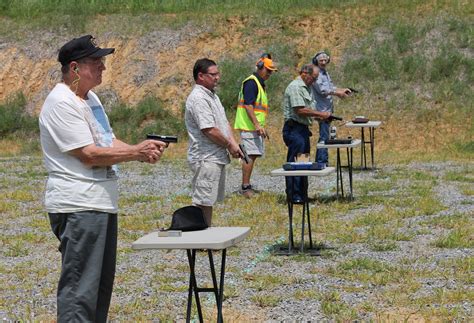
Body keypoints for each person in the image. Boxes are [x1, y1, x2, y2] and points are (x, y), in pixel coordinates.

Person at [39, 35, 166, 322]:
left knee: (97, 289)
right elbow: (89, 154)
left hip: (98, 204)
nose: (103, 68)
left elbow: (106, 141)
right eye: (95, 62)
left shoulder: (89, 98)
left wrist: (141, 150)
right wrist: (135, 152)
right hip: (78, 205)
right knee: (79, 293)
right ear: (74, 68)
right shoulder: (61, 102)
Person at [185, 58, 242, 226]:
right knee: (203, 200)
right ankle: (201, 238)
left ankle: (205, 234)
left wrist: (233, 143)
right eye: (213, 74)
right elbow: (208, 129)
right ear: (201, 76)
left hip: (214, 156)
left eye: (218, 74)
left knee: (208, 199)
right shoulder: (198, 98)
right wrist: (230, 145)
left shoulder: (212, 96)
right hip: (205, 157)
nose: (217, 77)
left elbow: (223, 124)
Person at [282, 64, 331, 203]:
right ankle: (293, 195)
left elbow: (308, 110)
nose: (314, 81)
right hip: (294, 130)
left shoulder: (307, 88)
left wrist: (320, 117)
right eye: (313, 78)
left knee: (303, 163)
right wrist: (321, 113)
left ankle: (302, 194)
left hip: (302, 129)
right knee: (295, 163)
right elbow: (300, 110)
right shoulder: (296, 87)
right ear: (304, 73)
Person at [234, 53, 277, 198]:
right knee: (250, 155)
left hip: (253, 127)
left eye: (271, 71)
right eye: (268, 70)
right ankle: (245, 188)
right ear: (260, 67)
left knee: (253, 155)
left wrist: (260, 126)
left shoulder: (259, 83)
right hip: (249, 126)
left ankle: (247, 185)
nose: (270, 74)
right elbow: (248, 105)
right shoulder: (251, 82)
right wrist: (257, 125)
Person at [311, 51, 352, 166]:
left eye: (325, 60)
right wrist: (337, 93)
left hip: (326, 109)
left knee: (325, 135)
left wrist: (342, 89)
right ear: (316, 62)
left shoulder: (324, 73)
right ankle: (321, 162)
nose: (323, 62)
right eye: (321, 61)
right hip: (321, 109)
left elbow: (330, 87)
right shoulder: (317, 74)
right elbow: (322, 90)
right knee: (324, 136)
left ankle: (322, 160)